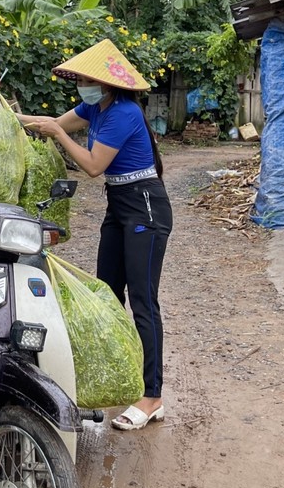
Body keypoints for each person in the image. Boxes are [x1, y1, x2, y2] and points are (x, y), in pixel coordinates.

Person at [18, 38, 172, 431]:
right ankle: (117, 380)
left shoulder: (124, 113)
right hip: (118, 206)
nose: (80, 85)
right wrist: (8, 116)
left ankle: (152, 396)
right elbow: (52, 123)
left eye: (86, 79)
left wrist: (57, 133)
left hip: (145, 207)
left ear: (104, 83)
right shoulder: (94, 107)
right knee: (105, 294)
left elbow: (91, 165)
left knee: (142, 300)